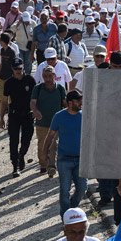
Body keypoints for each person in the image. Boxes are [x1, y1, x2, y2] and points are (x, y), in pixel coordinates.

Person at [42, 89, 87, 219]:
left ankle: (71, 209)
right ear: (70, 103)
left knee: (82, 188)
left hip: (80, 159)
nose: (81, 103)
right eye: (78, 100)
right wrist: (44, 153)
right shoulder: (59, 116)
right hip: (64, 160)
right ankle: (66, 218)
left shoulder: (84, 116)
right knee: (64, 189)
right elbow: (50, 136)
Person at [2, 58, 37, 177]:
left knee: (27, 139)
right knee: (13, 140)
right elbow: (4, 101)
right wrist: (2, 117)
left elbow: (36, 97)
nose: (18, 71)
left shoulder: (30, 80)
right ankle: (15, 166)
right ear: (12, 69)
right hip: (14, 114)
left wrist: (36, 111)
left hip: (28, 114)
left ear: (23, 68)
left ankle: (21, 155)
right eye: (16, 69)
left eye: (20, 68)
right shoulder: (9, 83)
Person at [31, 66, 66, 178]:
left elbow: (65, 104)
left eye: (50, 76)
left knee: (53, 145)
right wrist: (35, 111)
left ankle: (51, 167)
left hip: (56, 123)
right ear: (42, 76)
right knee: (42, 145)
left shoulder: (60, 88)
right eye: (45, 76)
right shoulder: (38, 88)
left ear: (55, 76)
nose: (48, 78)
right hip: (42, 123)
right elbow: (32, 102)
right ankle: (43, 164)